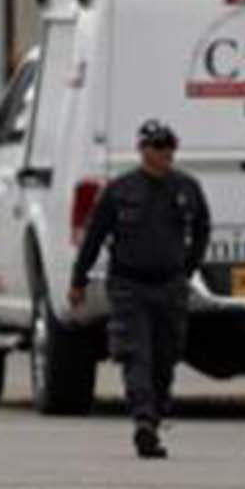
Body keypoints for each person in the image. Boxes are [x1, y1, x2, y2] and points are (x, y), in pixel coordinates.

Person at [70, 119, 211, 459]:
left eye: (168, 147)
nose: (163, 153)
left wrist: (187, 269)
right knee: (137, 356)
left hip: (170, 286)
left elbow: (203, 228)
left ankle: (155, 416)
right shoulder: (120, 190)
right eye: (156, 147)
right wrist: (79, 279)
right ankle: (144, 422)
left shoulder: (187, 188)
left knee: (165, 358)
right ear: (143, 150)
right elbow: (94, 237)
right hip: (130, 286)